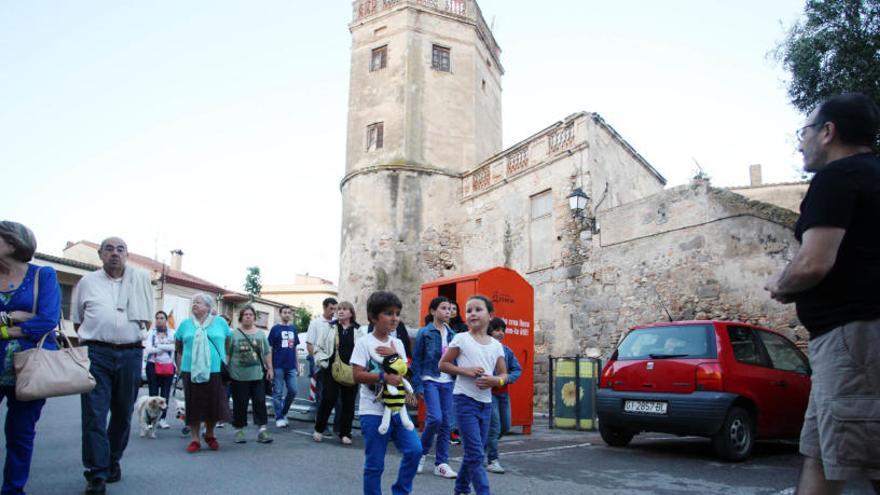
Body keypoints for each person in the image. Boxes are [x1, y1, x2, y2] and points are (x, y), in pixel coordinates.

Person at [765, 92, 880, 493]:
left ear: (828, 132)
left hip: (855, 338)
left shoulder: (838, 177)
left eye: (805, 131)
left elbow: (814, 262)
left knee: (867, 457)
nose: (801, 142)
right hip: (846, 340)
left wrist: (781, 284)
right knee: (821, 454)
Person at [72, 237, 153, 495]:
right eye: (109, 249)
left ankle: (112, 460)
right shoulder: (87, 282)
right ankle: (96, 474)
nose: (115, 254)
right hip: (97, 353)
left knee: (122, 413)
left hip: (130, 354)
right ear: (100, 254)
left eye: (120, 249)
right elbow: (77, 321)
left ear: (127, 255)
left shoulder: (140, 280)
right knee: (94, 414)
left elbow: (148, 321)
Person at [0, 221, 61, 495]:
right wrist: (18, 319)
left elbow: (48, 320)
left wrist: (7, 325)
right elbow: (35, 319)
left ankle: (13, 490)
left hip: (30, 367)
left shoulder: (42, 275)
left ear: (12, 243)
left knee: (20, 435)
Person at [351, 291, 422, 495]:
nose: (395, 318)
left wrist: (394, 356)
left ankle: (400, 491)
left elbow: (406, 372)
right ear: (374, 317)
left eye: (397, 313)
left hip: (398, 408)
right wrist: (383, 377)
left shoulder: (397, 343)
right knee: (375, 465)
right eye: (388, 313)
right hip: (373, 411)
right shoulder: (364, 343)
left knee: (415, 451)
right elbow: (356, 375)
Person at [439, 295, 508, 495]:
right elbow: (443, 364)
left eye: (478, 309)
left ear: (490, 315)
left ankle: (461, 488)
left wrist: (497, 381)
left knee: (474, 453)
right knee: (476, 453)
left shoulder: (496, 345)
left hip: (486, 404)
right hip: (464, 401)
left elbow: (503, 373)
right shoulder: (461, 338)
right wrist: (466, 371)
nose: (472, 314)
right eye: (469, 311)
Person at [174, 293, 232, 454]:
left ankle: (210, 434)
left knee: (213, 403)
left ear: (208, 307)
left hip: (215, 370)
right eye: (193, 302)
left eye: (198, 302)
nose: (194, 304)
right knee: (193, 404)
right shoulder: (185, 324)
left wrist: (224, 359)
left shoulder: (220, 322)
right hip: (190, 369)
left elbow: (228, 342)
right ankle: (194, 439)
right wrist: (179, 366)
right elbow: (178, 346)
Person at [411, 296, 458, 479]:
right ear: (433, 312)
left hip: (448, 382)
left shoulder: (453, 335)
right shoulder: (425, 332)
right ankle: (420, 454)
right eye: (444, 308)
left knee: (447, 422)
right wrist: (418, 386)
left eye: (450, 308)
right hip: (429, 379)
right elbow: (416, 361)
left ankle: (441, 463)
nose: (448, 311)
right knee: (435, 418)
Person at [312, 301, 363, 444]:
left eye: (344, 309)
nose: (340, 311)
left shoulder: (359, 330)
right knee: (328, 399)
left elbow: (363, 351)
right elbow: (318, 347)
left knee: (348, 403)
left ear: (351, 313)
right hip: (331, 369)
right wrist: (322, 362)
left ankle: (345, 433)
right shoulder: (329, 327)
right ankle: (319, 429)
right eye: (339, 309)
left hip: (351, 370)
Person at [227, 305, 273, 444]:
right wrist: (224, 370)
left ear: (254, 317)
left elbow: (266, 352)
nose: (248, 316)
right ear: (241, 317)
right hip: (237, 376)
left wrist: (270, 368)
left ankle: (262, 430)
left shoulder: (260, 334)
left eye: (251, 314)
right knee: (240, 403)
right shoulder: (233, 334)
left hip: (257, 375)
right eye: (245, 314)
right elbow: (228, 354)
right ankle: (239, 431)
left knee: (260, 401)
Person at [484, 317, 522, 474]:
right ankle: (492, 460)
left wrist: (505, 379)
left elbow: (517, 370)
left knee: (505, 426)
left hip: (503, 394)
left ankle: (483, 447)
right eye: (496, 330)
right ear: (489, 331)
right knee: (495, 427)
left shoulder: (507, 351)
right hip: (489, 394)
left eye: (502, 330)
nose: (500, 333)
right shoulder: (484, 349)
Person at [268, 305, 299, 428]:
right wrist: (270, 366)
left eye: (289, 312)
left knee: (293, 390)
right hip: (278, 365)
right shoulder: (275, 329)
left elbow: (295, 347)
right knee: (278, 392)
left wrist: (297, 364)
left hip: (291, 365)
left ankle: (284, 412)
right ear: (280, 314)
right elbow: (269, 348)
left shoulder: (293, 329)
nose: (287, 314)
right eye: (284, 312)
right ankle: (279, 417)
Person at [144, 310, 175, 429]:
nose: (159, 320)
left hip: (167, 366)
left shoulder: (172, 333)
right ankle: (150, 420)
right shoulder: (151, 333)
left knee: (165, 394)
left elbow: (174, 347)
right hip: (153, 365)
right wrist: (163, 347)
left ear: (166, 320)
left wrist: (159, 346)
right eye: (157, 318)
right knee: (153, 394)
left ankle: (162, 419)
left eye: (162, 318)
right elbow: (149, 350)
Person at [306, 297, 337, 410]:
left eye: (335, 309)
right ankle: (319, 423)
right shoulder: (315, 323)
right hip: (319, 362)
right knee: (320, 392)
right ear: (324, 308)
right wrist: (317, 361)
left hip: (333, 363)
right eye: (331, 308)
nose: (333, 311)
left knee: (330, 393)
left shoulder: (336, 322)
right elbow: (310, 344)